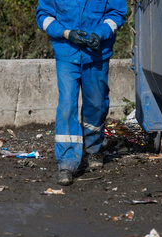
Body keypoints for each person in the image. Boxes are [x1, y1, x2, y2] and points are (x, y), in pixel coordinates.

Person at [36, 0, 127, 185]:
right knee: (67, 104)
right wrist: (66, 33)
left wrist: (100, 34)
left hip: (97, 53)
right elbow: (43, 16)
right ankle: (67, 163)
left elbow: (117, 13)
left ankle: (93, 149)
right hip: (66, 53)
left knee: (96, 103)